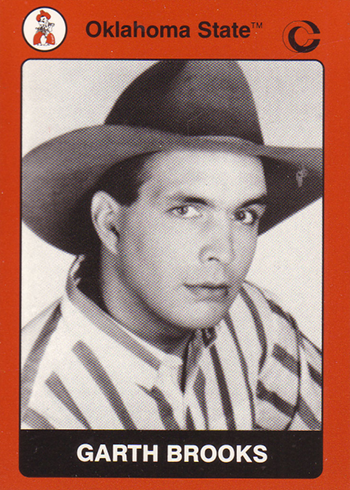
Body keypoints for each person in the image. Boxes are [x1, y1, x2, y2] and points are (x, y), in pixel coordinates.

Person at [21, 60, 322, 430]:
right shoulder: (37, 412)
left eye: (244, 216)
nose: (224, 254)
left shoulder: (255, 319)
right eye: (186, 210)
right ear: (110, 223)